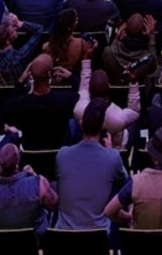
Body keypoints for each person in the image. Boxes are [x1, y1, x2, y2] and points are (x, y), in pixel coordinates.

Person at [53, 97, 127, 230]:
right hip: (99, 236)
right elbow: (124, 179)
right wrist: (111, 151)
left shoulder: (62, 155)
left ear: (81, 124)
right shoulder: (112, 157)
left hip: (64, 235)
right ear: (103, 126)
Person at [105, 124, 162, 232]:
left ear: (152, 154)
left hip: (139, 245)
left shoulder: (137, 182)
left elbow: (109, 211)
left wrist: (128, 217)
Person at [0, 139, 57, 231]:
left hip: (1, 243)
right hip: (36, 243)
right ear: (17, 163)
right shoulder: (38, 183)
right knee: (53, 186)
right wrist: (34, 176)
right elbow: (53, 205)